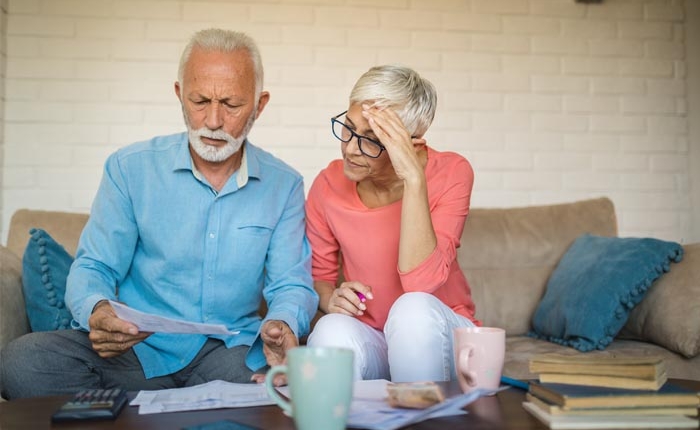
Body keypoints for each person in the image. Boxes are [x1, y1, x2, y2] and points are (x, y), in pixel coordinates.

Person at [1, 28, 318, 399]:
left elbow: (290, 284)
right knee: (23, 362)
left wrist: (282, 322)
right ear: (180, 95)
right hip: (135, 352)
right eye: (200, 101)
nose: (213, 121)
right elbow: (95, 267)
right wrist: (98, 309)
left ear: (259, 105)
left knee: (278, 385)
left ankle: (138, 411)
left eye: (231, 105)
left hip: (228, 356)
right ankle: (183, 409)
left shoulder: (285, 185)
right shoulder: (129, 169)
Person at [305, 65, 480, 382]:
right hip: (376, 336)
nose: (349, 148)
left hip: (443, 335)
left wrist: (413, 178)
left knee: (412, 310)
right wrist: (331, 298)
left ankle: (421, 419)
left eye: (372, 140)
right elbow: (320, 276)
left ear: (411, 145)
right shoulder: (327, 184)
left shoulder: (453, 171)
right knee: (330, 329)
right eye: (348, 128)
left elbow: (421, 284)